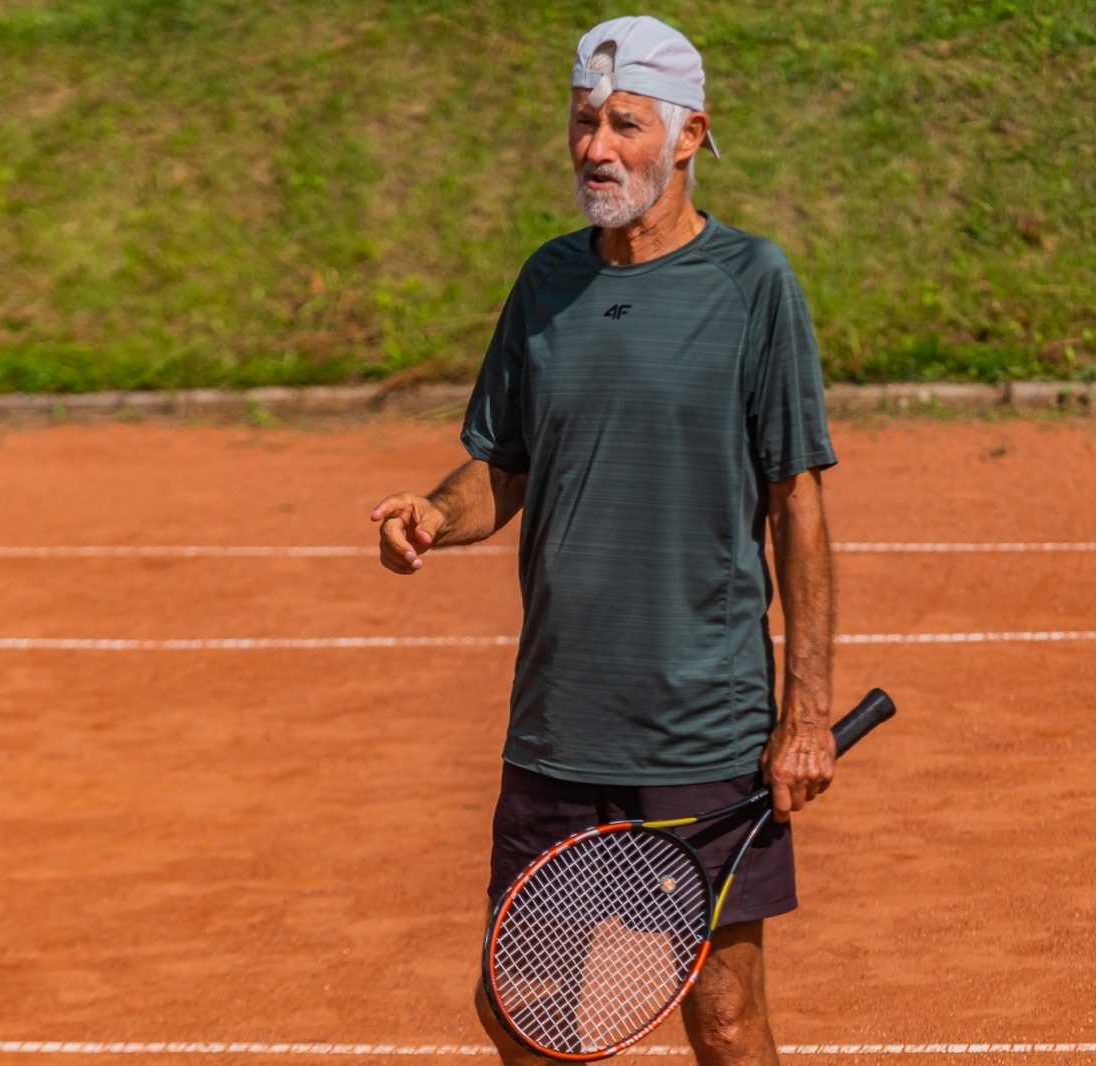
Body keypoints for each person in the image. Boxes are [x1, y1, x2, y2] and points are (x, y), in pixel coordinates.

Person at [370, 16, 838, 1066]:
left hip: (698, 728)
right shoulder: (546, 284)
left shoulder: (750, 284)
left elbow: (797, 503)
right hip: (558, 723)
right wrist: (435, 516)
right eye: (584, 121)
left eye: (624, 123)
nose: (595, 147)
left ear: (687, 135)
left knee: (721, 1015)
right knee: (522, 1009)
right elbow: (502, 463)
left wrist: (803, 712)